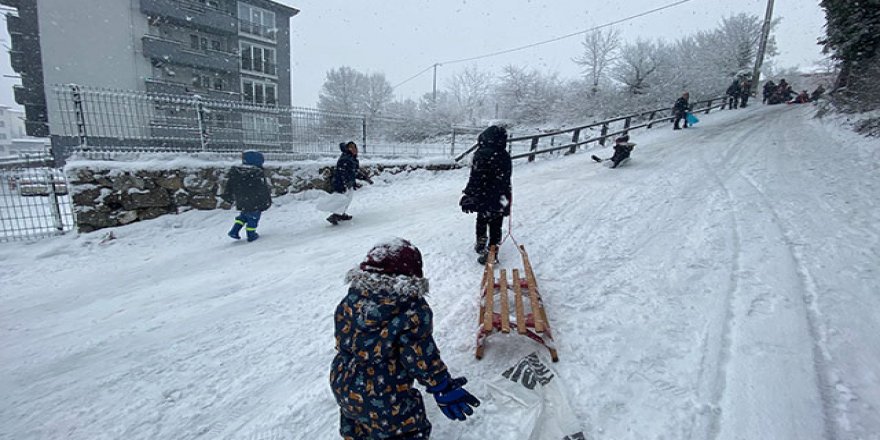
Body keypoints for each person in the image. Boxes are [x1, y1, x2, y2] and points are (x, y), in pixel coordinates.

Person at [330, 238, 480, 439]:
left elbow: (344, 338)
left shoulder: (351, 299)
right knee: (406, 432)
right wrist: (441, 385)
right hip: (383, 393)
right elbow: (420, 356)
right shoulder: (410, 310)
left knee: (357, 427)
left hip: (342, 378)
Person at [459, 125, 512, 264]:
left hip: (484, 194)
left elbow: (476, 177)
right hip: (501, 195)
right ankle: (492, 252)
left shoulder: (481, 154)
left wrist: (469, 194)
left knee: (482, 219)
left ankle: (481, 243)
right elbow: (507, 179)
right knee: (496, 224)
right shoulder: (505, 155)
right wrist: (507, 200)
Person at [221, 150, 272, 242]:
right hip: (255, 201)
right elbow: (262, 189)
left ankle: (234, 230)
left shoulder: (236, 172)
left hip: (241, 200)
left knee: (243, 216)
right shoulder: (257, 173)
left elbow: (230, 185)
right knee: (253, 217)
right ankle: (251, 234)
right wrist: (266, 200)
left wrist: (228, 196)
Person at [326, 141, 372, 225]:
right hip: (342, 183)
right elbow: (342, 172)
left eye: (355, 147)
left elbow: (354, 172)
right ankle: (335, 215)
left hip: (347, 183)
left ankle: (340, 214)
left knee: (347, 199)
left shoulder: (352, 158)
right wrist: (345, 183)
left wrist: (365, 178)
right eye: (351, 148)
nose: (354, 149)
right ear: (348, 149)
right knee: (343, 200)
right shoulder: (346, 158)